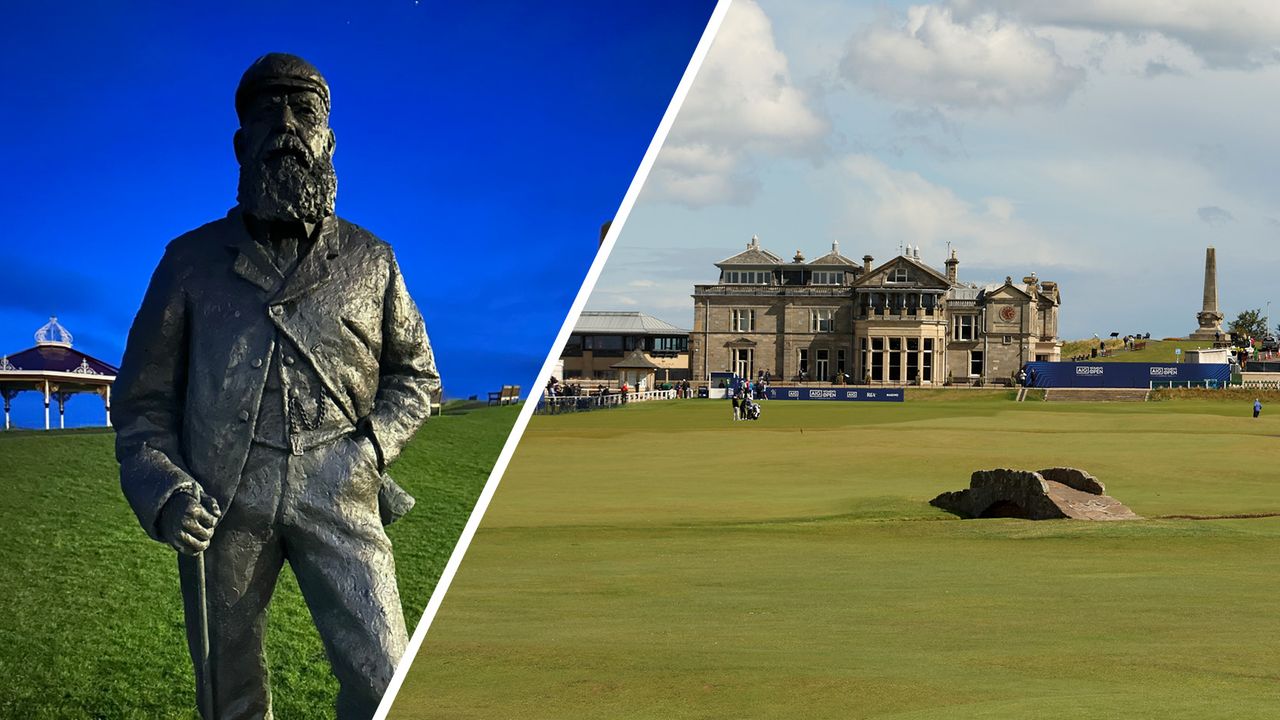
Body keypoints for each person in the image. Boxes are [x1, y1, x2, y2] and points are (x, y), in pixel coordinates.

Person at [112, 54, 438, 720]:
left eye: (305, 112)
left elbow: (417, 376)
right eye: (267, 112)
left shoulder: (373, 260)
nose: (286, 126)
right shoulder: (189, 261)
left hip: (341, 485)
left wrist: (370, 451)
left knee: (386, 681)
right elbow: (142, 404)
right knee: (229, 700)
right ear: (240, 142)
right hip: (222, 500)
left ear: (328, 139)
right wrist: (168, 492)